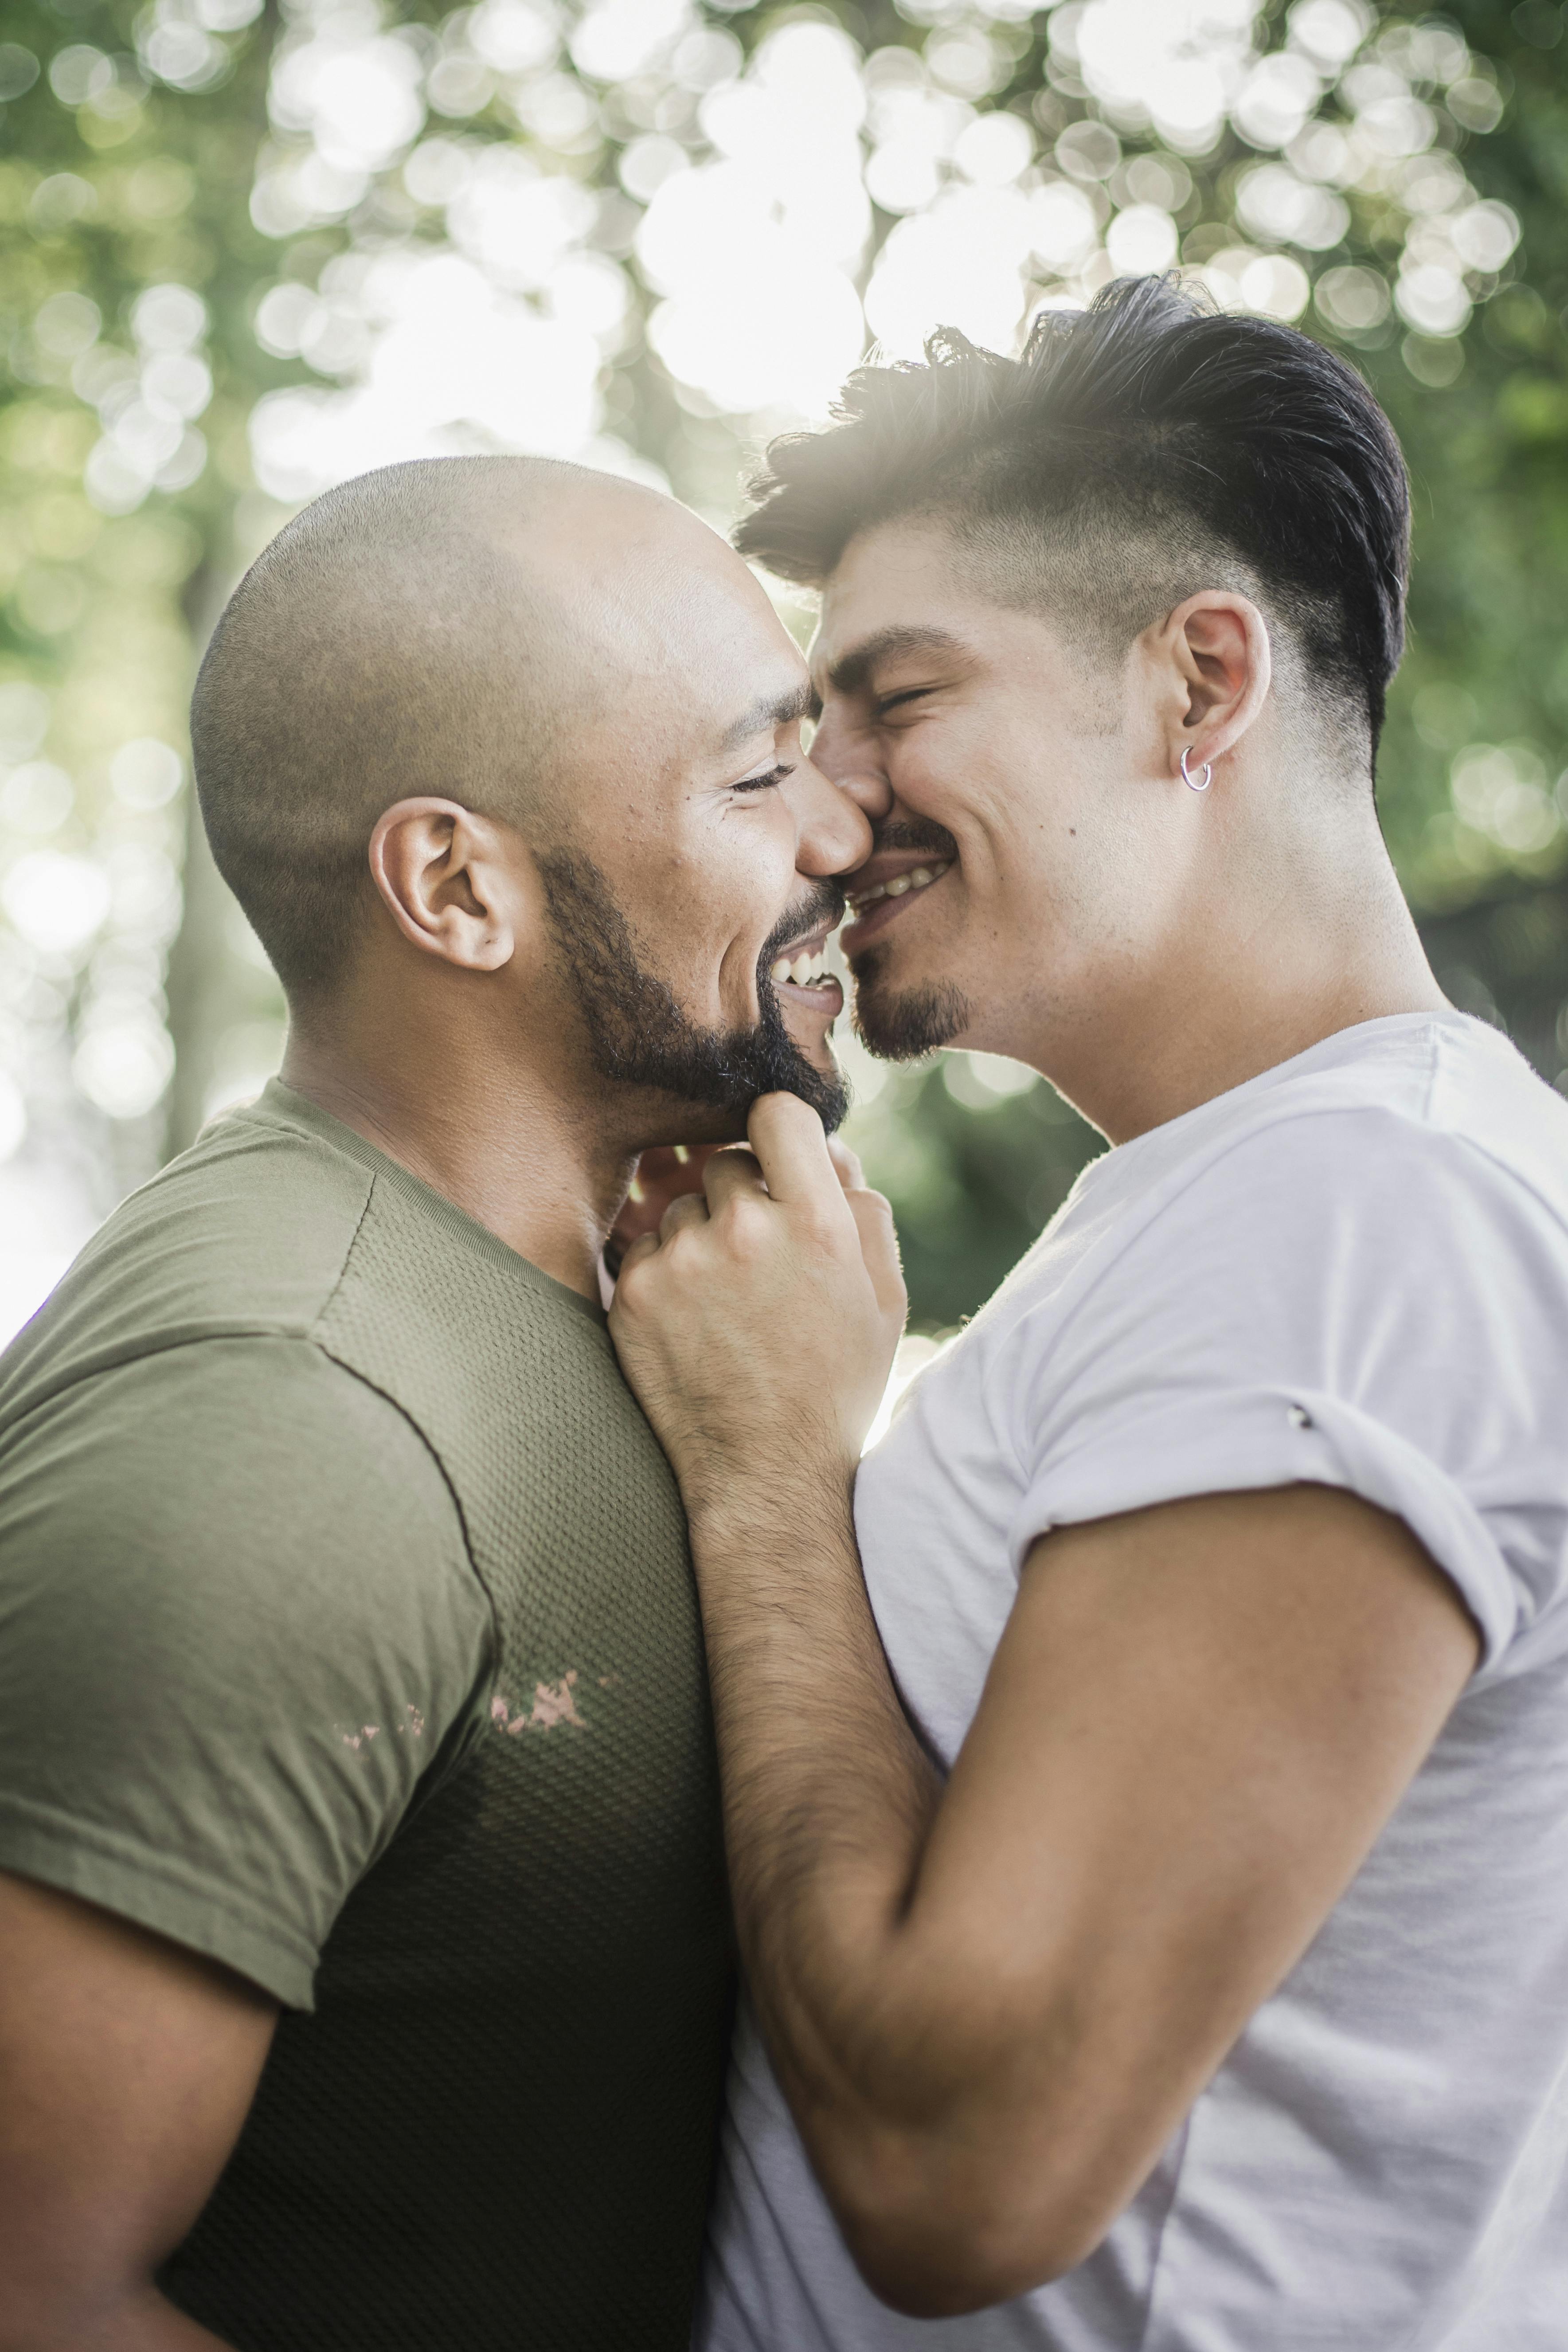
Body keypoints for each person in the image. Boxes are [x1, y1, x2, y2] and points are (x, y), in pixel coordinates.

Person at [606, 277, 1568, 2350]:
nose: (832, 806)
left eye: (899, 697)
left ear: (1198, 680)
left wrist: (775, 1479)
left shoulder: (1363, 1218)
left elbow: (968, 2167)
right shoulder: (1262, 1198)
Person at [0, 454, 870, 2350]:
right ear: (457, 885)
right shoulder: (283, 1423)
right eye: (756, 774)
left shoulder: (640, 1303)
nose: (843, 830)